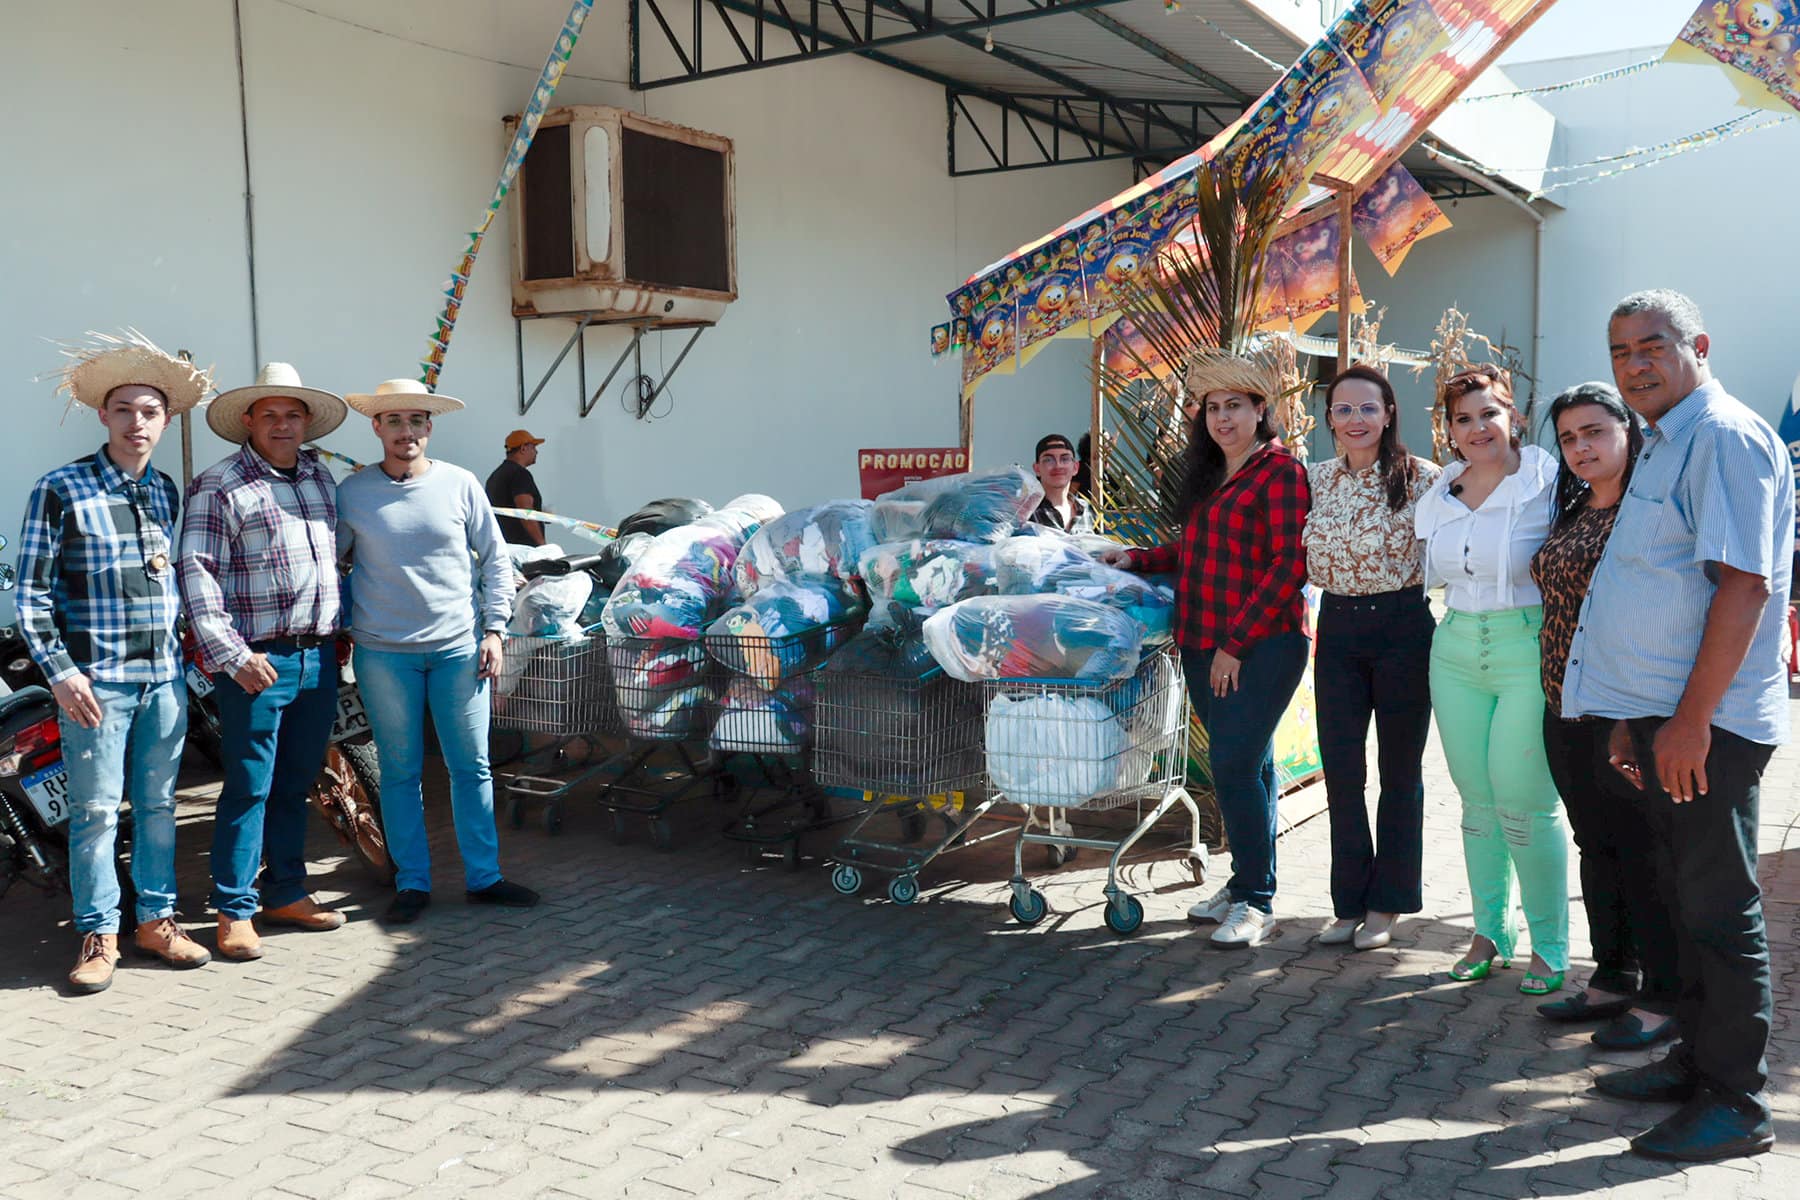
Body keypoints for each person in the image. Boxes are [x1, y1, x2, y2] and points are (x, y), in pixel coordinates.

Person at [1567, 290, 1792, 1163]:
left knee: (1720, 908)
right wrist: (1634, 721)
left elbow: (1743, 587)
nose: (1636, 365)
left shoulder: (1725, 437)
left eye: (1652, 346)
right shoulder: (1668, 442)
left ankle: (1736, 1104)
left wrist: (1691, 720)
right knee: (1685, 899)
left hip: (1713, 724)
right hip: (1666, 721)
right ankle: (1695, 1063)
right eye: (1621, 352)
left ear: (1698, 345)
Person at [16, 333, 215, 991]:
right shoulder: (60, 488)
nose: (137, 423)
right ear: (104, 415)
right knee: (97, 813)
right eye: (125, 409)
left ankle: (155, 922)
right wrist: (63, 673)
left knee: (159, 806)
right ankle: (99, 934)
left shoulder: (163, 492)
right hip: (98, 685)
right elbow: (31, 594)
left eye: (150, 411)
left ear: (165, 419)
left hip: (163, 681)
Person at [1108, 349, 1310, 948]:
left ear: (1260, 410)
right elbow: (1193, 550)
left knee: (1233, 764)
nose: (1223, 419)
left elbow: (1288, 565)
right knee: (1254, 766)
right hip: (1200, 640)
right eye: (1213, 408)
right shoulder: (1212, 474)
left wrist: (1235, 645)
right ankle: (1248, 880)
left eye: (1235, 407)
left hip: (1261, 645)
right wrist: (1136, 559)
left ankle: (1257, 901)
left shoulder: (1280, 472)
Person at [337, 380, 540, 925]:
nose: (407, 431)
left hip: (458, 650)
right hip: (383, 654)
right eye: (395, 421)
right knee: (400, 772)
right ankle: (412, 883)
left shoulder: (461, 484)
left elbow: (496, 560)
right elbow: (330, 564)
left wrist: (495, 630)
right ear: (376, 427)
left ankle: (484, 877)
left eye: (417, 421)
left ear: (430, 427)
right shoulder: (353, 492)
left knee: (470, 766)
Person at [178, 363, 350, 961]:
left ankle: (285, 891)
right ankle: (233, 908)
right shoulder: (218, 485)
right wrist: (233, 656)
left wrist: (340, 629)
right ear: (248, 422)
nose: (282, 424)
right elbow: (196, 577)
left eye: (293, 415)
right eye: (270, 414)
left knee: (295, 784)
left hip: (318, 658)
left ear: (306, 424)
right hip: (258, 662)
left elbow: (334, 561)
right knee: (248, 786)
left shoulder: (321, 481)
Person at [1530, 383, 1679, 1050]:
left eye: (1594, 431)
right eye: (1568, 438)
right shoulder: (1572, 509)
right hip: (1565, 703)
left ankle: (1663, 996)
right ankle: (1613, 976)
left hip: (1627, 708)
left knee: (1643, 848)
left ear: (1628, 432)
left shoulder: (1649, 512)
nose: (1581, 446)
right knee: (1598, 844)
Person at [1415, 364, 1568, 995]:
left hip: (1525, 648)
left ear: (1515, 417)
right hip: (1452, 647)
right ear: (1449, 431)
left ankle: (1551, 945)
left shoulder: (1548, 481)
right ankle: (1489, 933)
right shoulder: (1439, 492)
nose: (1478, 428)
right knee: (1476, 802)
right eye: (1463, 418)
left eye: (1489, 413)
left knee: (1524, 804)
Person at [1303, 365, 1439, 952]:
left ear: (1388, 414)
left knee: (1400, 774)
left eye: (1367, 408)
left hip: (1404, 627)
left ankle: (1388, 902)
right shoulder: (1315, 479)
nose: (1355, 420)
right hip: (1337, 630)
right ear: (1328, 417)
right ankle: (1347, 902)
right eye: (1343, 409)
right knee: (1342, 771)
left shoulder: (1425, 479)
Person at [486, 429, 546, 547]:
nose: (536, 451)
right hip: (524, 550)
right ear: (523, 448)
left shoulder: (496, 475)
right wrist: (542, 545)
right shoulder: (520, 474)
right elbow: (525, 512)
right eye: (533, 447)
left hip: (502, 546)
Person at [1027, 434, 1095, 533]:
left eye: (1065, 459)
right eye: (1048, 460)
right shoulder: (1025, 511)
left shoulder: (1086, 510)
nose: (1058, 466)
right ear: (1037, 468)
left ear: (1075, 468)